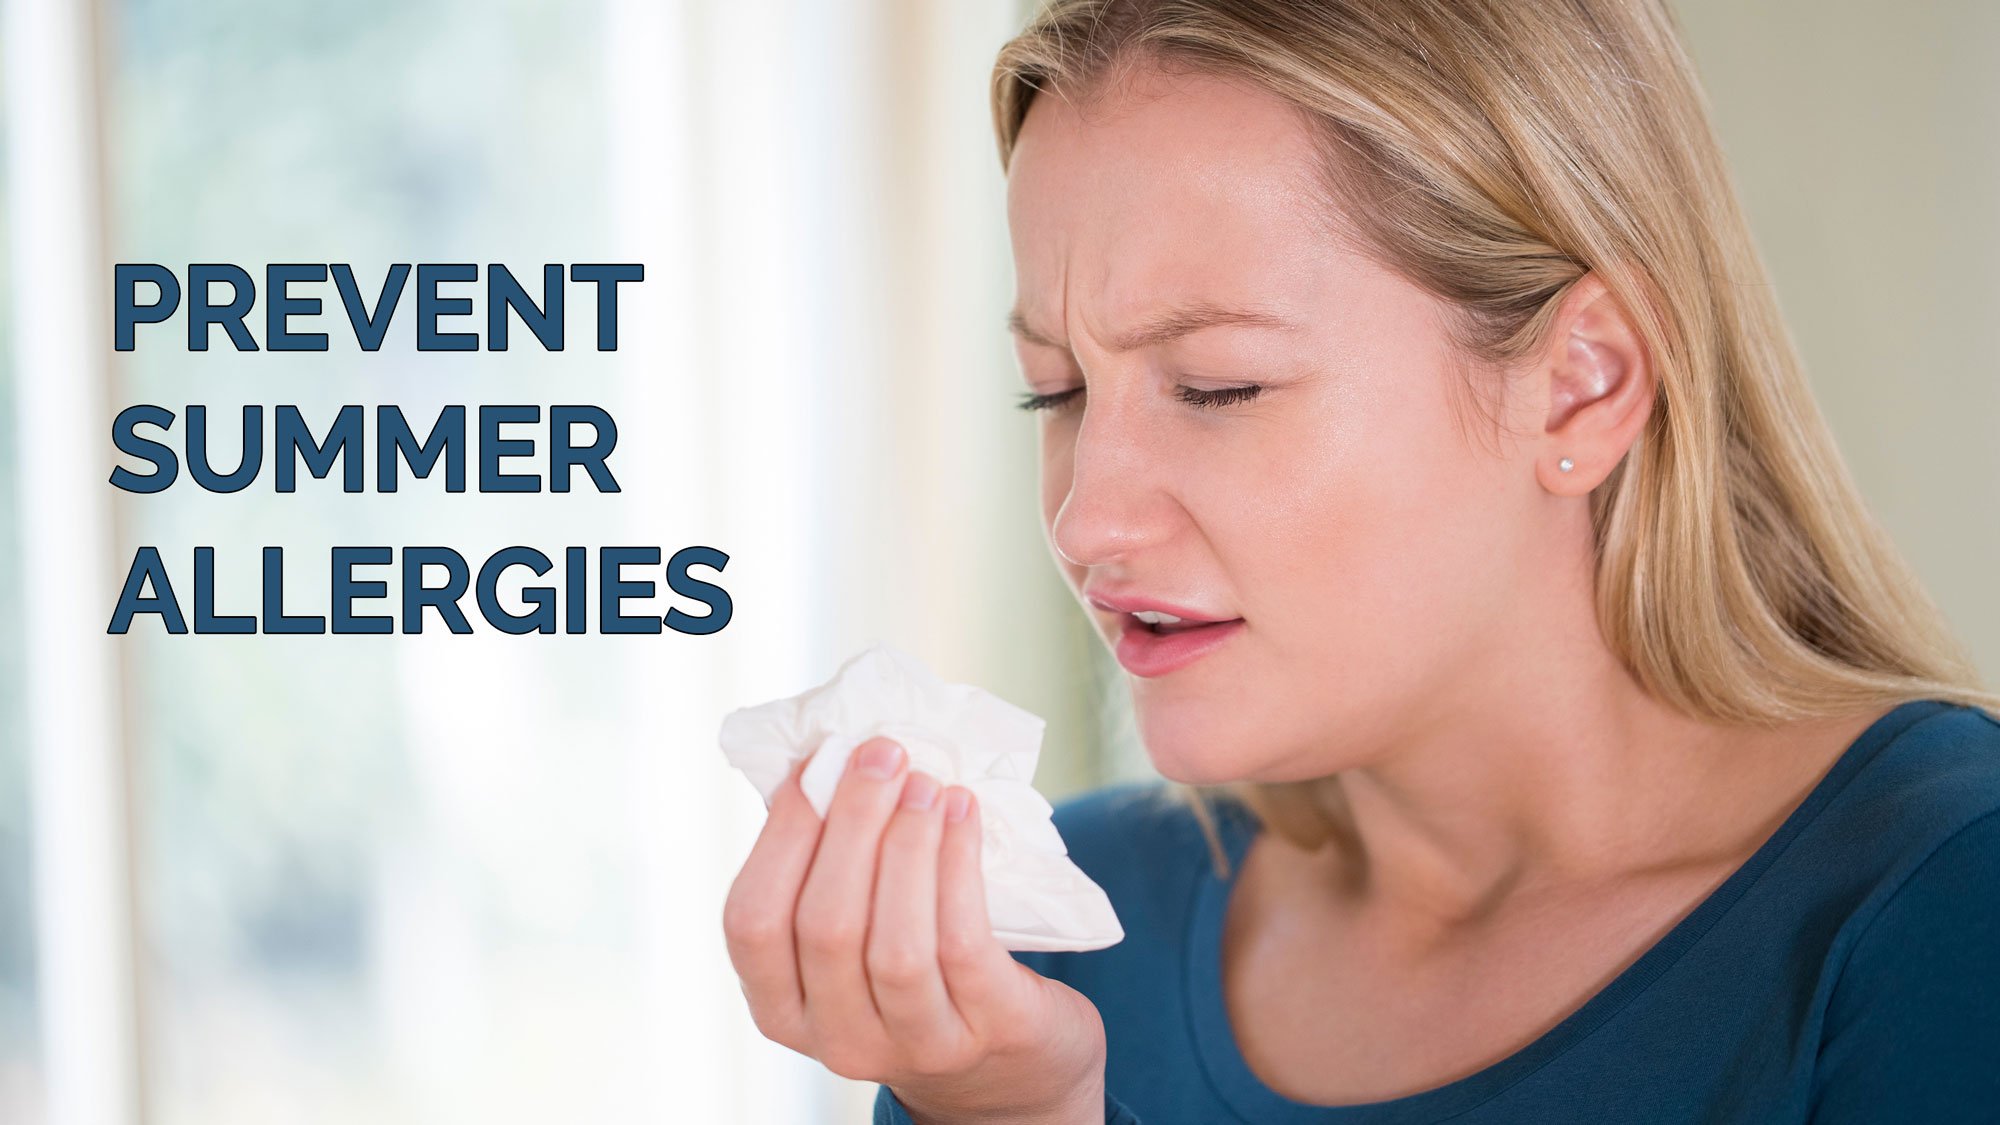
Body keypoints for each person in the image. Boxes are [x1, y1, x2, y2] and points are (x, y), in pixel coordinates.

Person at [721, 1, 2000, 1121]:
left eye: (1218, 388)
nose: (1084, 521)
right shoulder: (1059, 934)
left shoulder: (1941, 899)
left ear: (1579, 386)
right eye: (1051, 392)